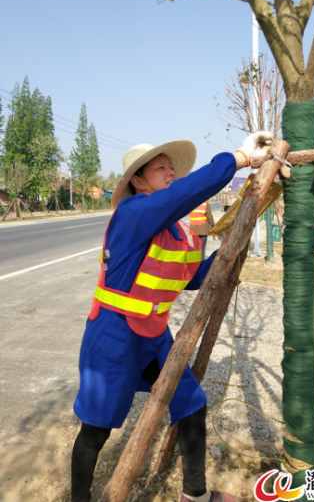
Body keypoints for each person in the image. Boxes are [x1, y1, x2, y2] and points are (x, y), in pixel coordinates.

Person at [71, 132, 272, 502]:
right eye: (160, 168)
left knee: (191, 402)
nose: (171, 174)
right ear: (138, 180)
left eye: (171, 168)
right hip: (112, 337)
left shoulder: (173, 233)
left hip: (153, 336)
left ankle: (194, 495)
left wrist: (231, 249)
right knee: (96, 429)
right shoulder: (132, 214)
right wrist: (239, 158)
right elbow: (182, 196)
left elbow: (192, 277)